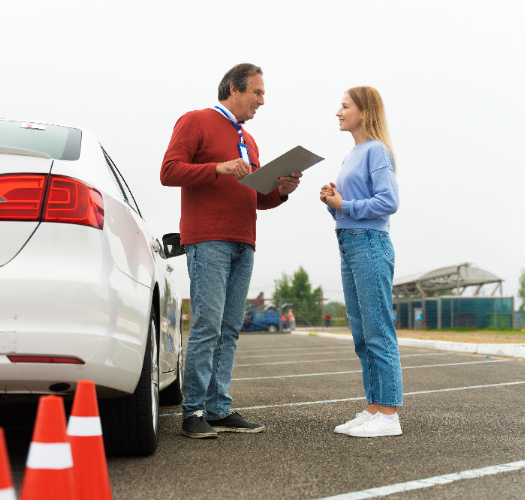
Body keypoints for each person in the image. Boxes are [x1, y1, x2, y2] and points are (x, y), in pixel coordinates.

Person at [161, 63, 303, 439]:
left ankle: (218, 408)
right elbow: (169, 171)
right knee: (208, 325)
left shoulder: (249, 140)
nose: (261, 101)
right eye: (257, 93)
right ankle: (192, 411)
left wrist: (283, 189)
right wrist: (218, 167)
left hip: (244, 240)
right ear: (233, 89)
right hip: (208, 238)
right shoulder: (195, 121)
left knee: (229, 328)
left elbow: (259, 198)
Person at [320, 86, 402, 438]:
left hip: (370, 243)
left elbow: (388, 201)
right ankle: (373, 408)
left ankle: (389, 415)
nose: (338, 112)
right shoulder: (352, 154)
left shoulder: (377, 151)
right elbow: (347, 206)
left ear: (364, 112)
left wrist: (345, 206)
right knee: (361, 334)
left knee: (378, 331)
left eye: (344, 106)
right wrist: (331, 200)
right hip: (349, 243)